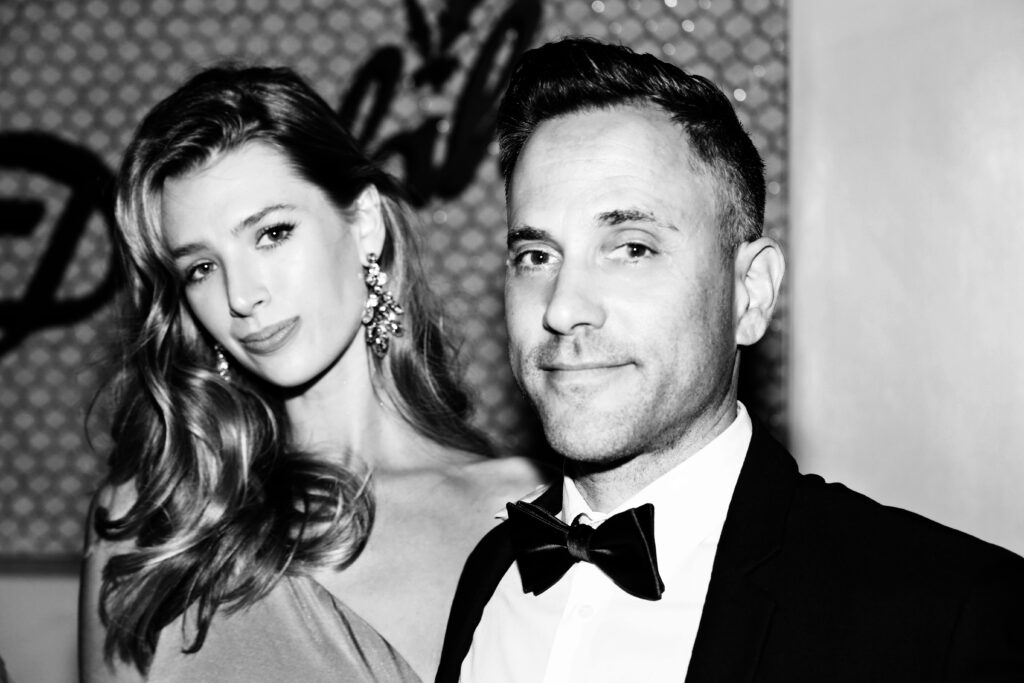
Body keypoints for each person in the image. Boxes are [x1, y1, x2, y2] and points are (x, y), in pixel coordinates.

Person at [435, 37, 1024, 682]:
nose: (562, 307)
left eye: (632, 248)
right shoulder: (491, 573)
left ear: (750, 292)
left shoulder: (946, 615)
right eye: (536, 256)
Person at [78, 65, 545, 683]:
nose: (241, 295)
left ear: (363, 223)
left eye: (271, 234)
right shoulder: (159, 523)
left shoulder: (529, 512)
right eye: (201, 267)